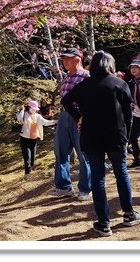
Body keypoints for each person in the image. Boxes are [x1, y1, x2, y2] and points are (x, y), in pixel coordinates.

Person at [62, 51, 140, 237]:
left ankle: (104, 223)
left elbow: (66, 101)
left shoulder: (84, 85)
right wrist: (127, 136)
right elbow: (128, 114)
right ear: (111, 64)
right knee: (121, 172)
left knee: (98, 178)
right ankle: (129, 214)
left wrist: (78, 117)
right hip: (116, 135)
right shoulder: (119, 84)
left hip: (91, 136)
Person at [48, 46, 92, 200]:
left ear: (78, 59)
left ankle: (85, 188)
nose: (64, 61)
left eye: (68, 58)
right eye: (63, 59)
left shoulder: (86, 76)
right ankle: (63, 186)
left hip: (79, 117)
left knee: (83, 152)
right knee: (60, 151)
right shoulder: (66, 77)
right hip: (64, 116)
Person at [16, 100, 56, 176]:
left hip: (33, 138)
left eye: (35, 109)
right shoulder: (24, 114)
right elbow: (19, 118)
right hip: (24, 138)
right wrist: (23, 110)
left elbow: (45, 122)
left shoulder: (37, 116)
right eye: (33, 108)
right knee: (27, 156)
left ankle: (29, 169)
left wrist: (54, 121)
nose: (34, 110)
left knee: (32, 157)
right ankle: (27, 173)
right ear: (29, 107)